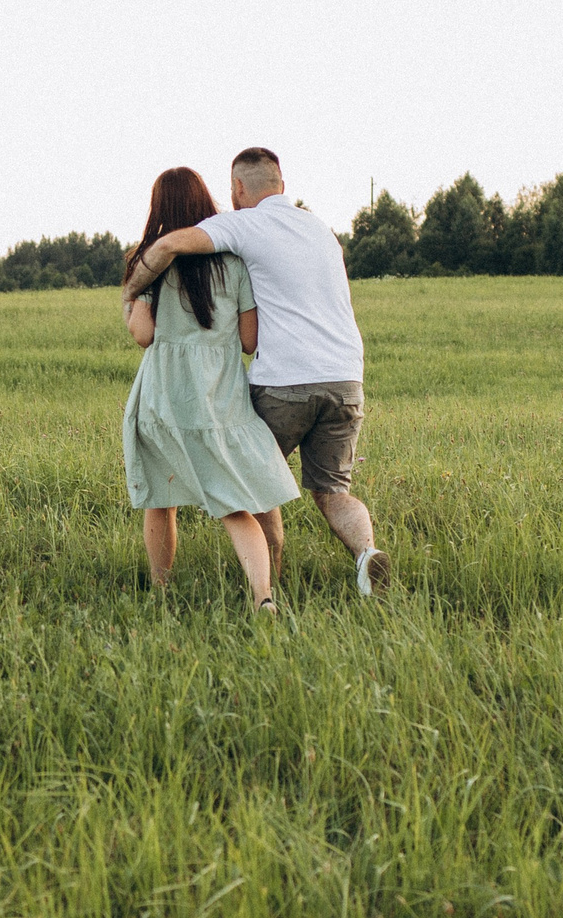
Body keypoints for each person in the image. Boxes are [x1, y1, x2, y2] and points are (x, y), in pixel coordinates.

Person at [122, 146, 389, 595]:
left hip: (284, 383)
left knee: (254, 483)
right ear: (282, 185)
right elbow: (255, 327)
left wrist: (131, 289)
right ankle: (366, 552)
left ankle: (270, 585)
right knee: (332, 491)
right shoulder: (322, 230)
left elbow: (168, 246)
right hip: (346, 379)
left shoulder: (243, 224)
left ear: (239, 189)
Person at [121, 167, 298, 609]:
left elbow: (143, 335)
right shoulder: (233, 260)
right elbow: (249, 340)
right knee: (235, 501)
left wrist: (129, 301)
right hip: (222, 393)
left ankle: (161, 593)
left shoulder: (153, 259)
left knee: (161, 498)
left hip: (165, 392)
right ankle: (263, 595)